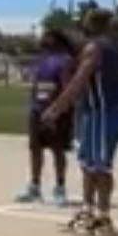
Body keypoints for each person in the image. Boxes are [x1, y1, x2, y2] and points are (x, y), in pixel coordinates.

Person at [40, 7, 118, 236]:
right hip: (96, 112)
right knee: (88, 164)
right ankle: (88, 211)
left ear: (92, 25)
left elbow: (79, 81)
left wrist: (56, 108)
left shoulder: (96, 49)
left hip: (102, 113)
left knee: (100, 167)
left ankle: (104, 216)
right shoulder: (116, 48)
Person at [15, 27, 76, 206]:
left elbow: (67, 87)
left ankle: (60, 187)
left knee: (58, 150)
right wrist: (33, 106)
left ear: (57, 40)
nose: (42, 39)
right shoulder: (41, 61)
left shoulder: (66, 61)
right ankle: (34, 186)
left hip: (57, 112)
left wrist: (58, 110)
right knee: (35, 149)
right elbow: (36, 85)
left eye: (47, 37)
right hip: (37, 110)